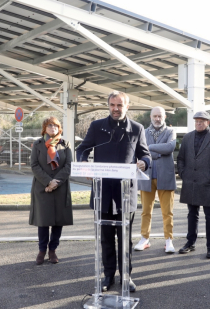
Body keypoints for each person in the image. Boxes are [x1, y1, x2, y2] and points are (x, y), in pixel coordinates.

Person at [76, 91, 151, 293]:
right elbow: (82, 149)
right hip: (103, 193)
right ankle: (108, 276)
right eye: (112, 105)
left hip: (126, 194)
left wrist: (144, 162)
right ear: (108, 105)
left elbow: (145, 154)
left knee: (125, 239)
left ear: (127, 106)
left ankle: (126, 276)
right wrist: (83, 163)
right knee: (107, 239)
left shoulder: (136, 128)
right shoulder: (96, 127)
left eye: (120, 105)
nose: (116, 109)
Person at [177, 111, 210, 258]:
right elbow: (180, 159)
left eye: (202, 121)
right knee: (192, 214)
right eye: (197, 121)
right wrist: (184, 174)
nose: (198, 123)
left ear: (208, 122)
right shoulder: (187, 137)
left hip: (207, 184)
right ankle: (190, 243)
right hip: (190, 182)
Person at [29, 116, 73, 265]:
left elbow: (68, 166)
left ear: (59, 128)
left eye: (55, 125)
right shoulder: (38, 144)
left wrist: (56, 183)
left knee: (57, 221)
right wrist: (48, 181)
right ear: (44, 128)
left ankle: (52, 250)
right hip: (42, 188)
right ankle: (42, 250)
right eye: (49, 126)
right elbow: (34, 165)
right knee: (43, 221)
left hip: (60, 188)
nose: (52, 128)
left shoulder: (65, 144)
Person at [135, 107, 177, 253]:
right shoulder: (143, 132)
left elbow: (170, 147)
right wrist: (158, 151)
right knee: (146, 211)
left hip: (165, 176)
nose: (157, 119)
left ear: (164, 117)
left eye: (160, 116)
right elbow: (139, 150)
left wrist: (150, 148)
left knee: (167, 212)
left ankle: (168, 241)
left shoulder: (170, 131)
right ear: (151, 117)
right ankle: (144, 238)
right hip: (146, 176)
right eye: (155, 116)